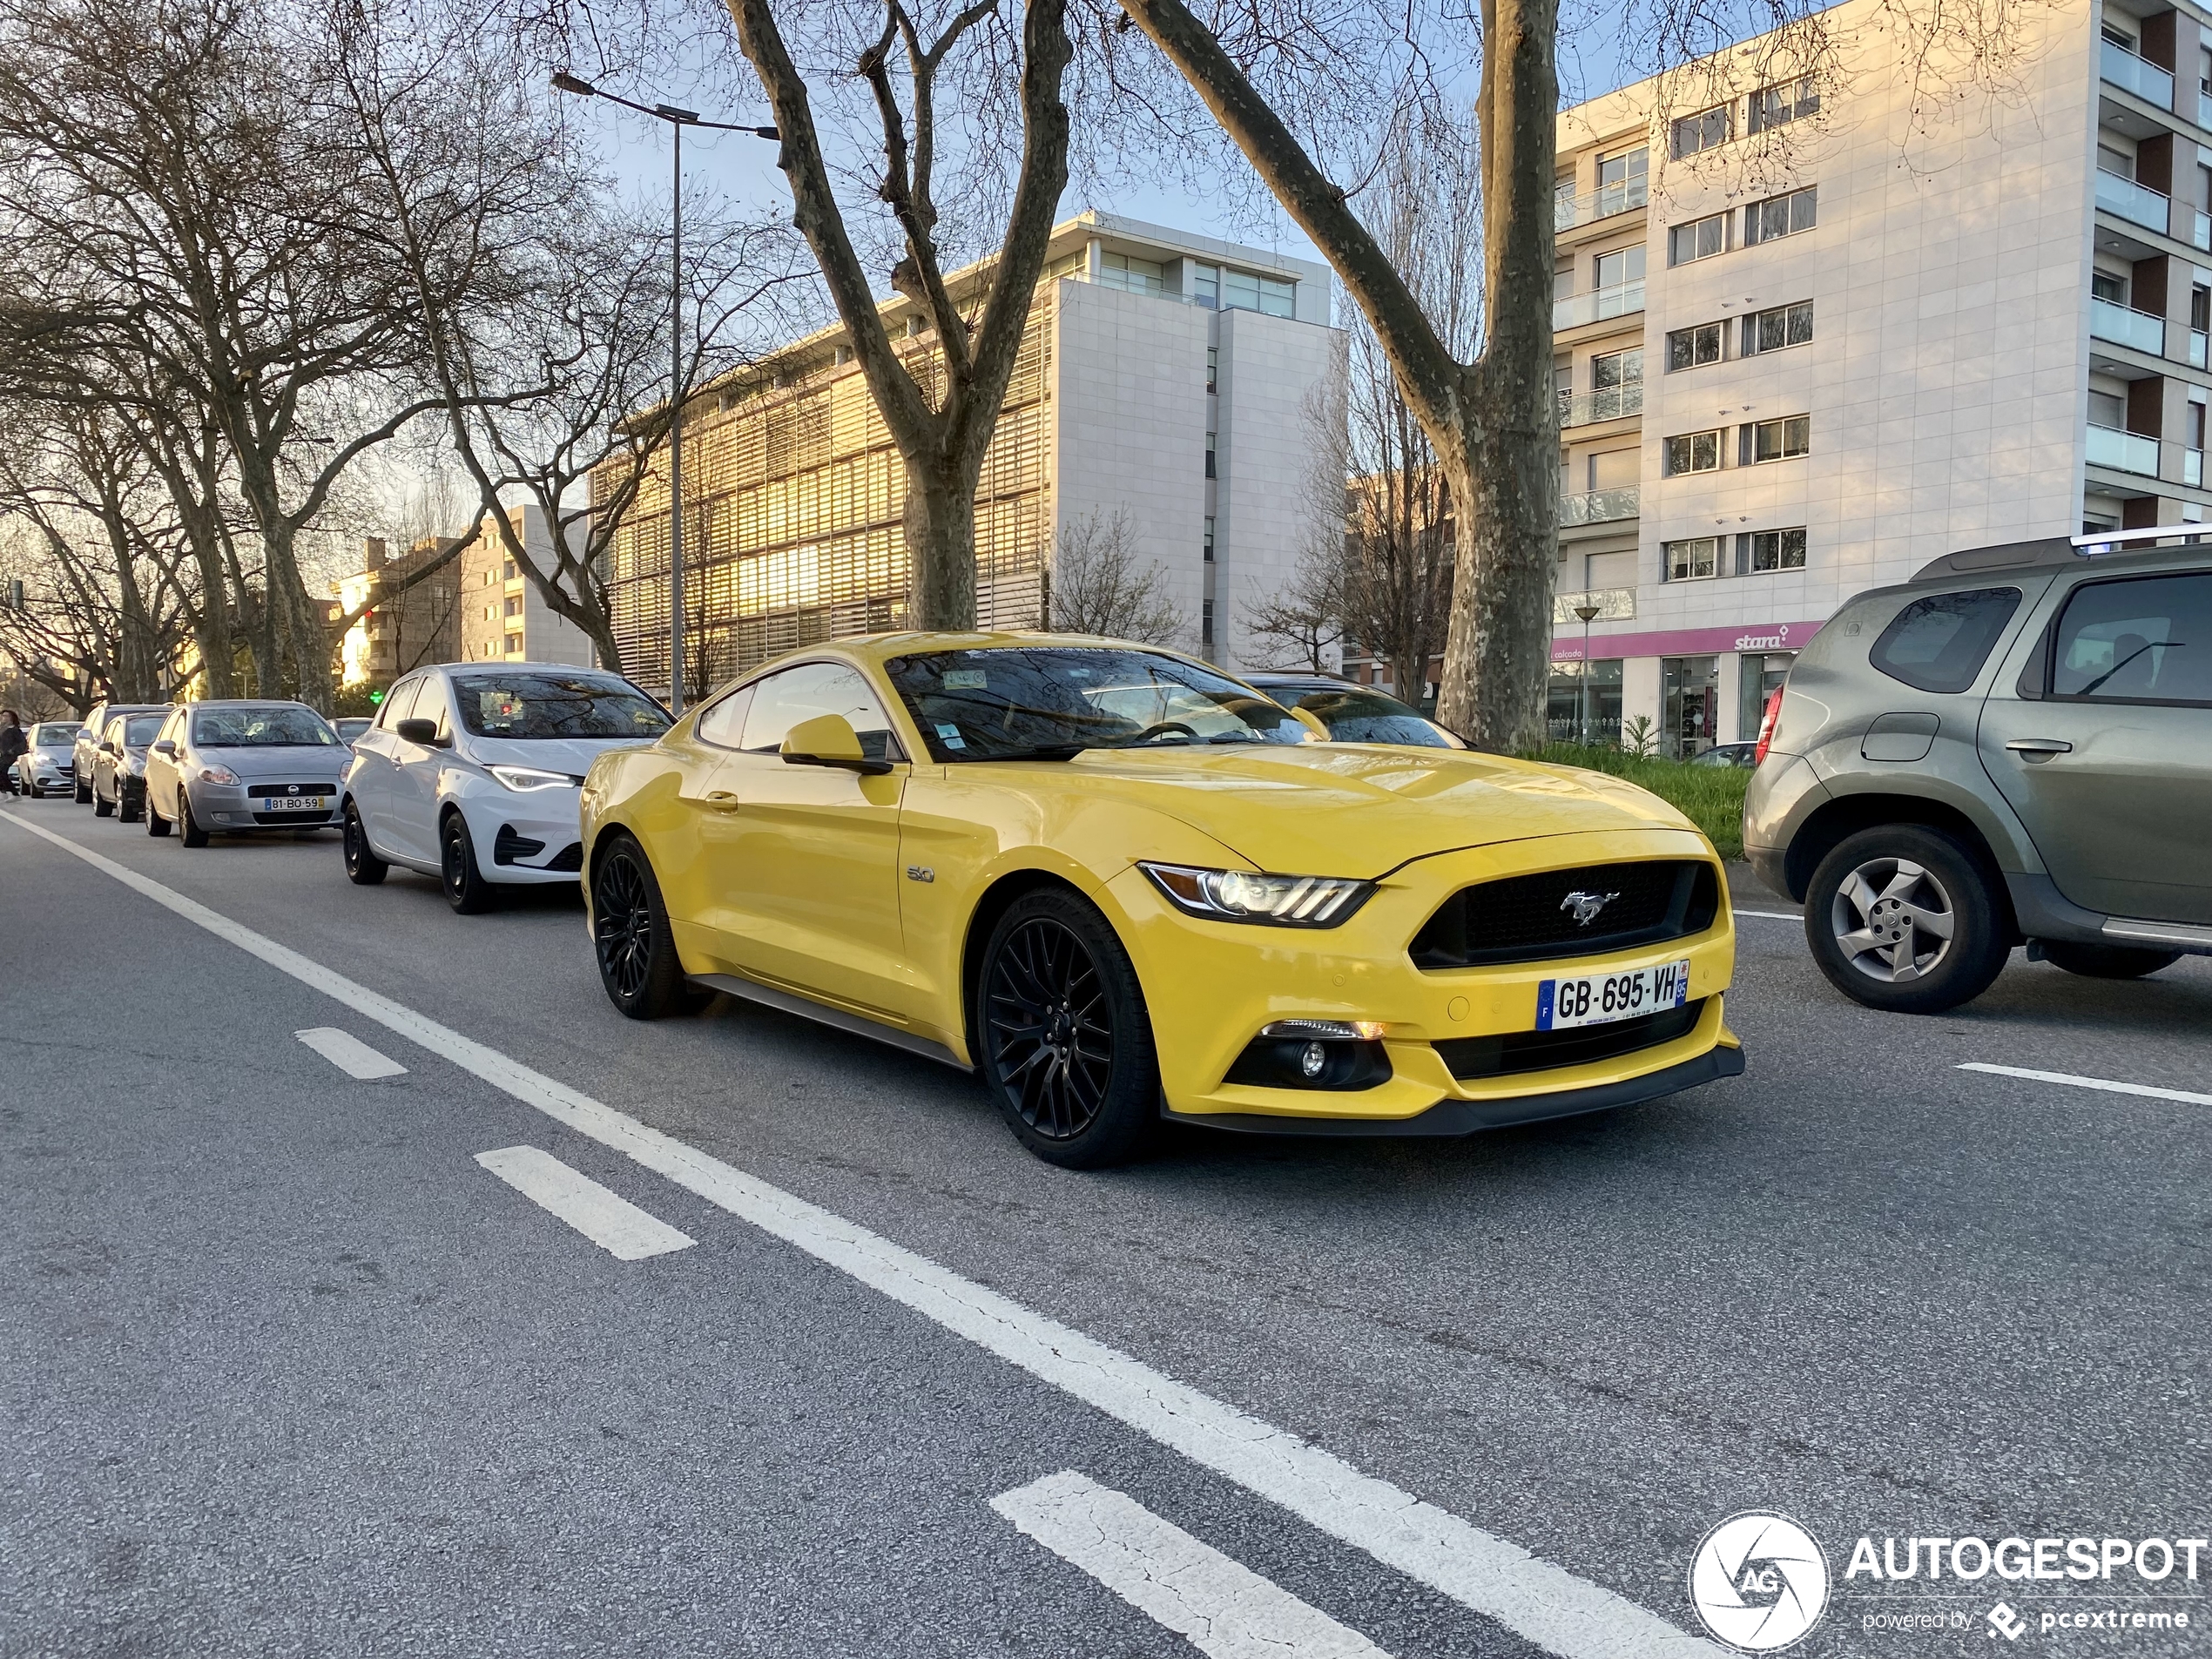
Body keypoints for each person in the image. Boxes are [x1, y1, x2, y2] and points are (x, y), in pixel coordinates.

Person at [0, 710, 24, 797]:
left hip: (10, 755)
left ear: (11, 718)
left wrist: (13, 750)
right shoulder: (3, 729)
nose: (4, 718)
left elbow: (22, 742)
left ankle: (14, 794)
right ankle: (4, 792)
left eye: (7, 716)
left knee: (2, 772)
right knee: (2, 773)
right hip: (4, 754)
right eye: (3, 716)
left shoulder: (14, 730)